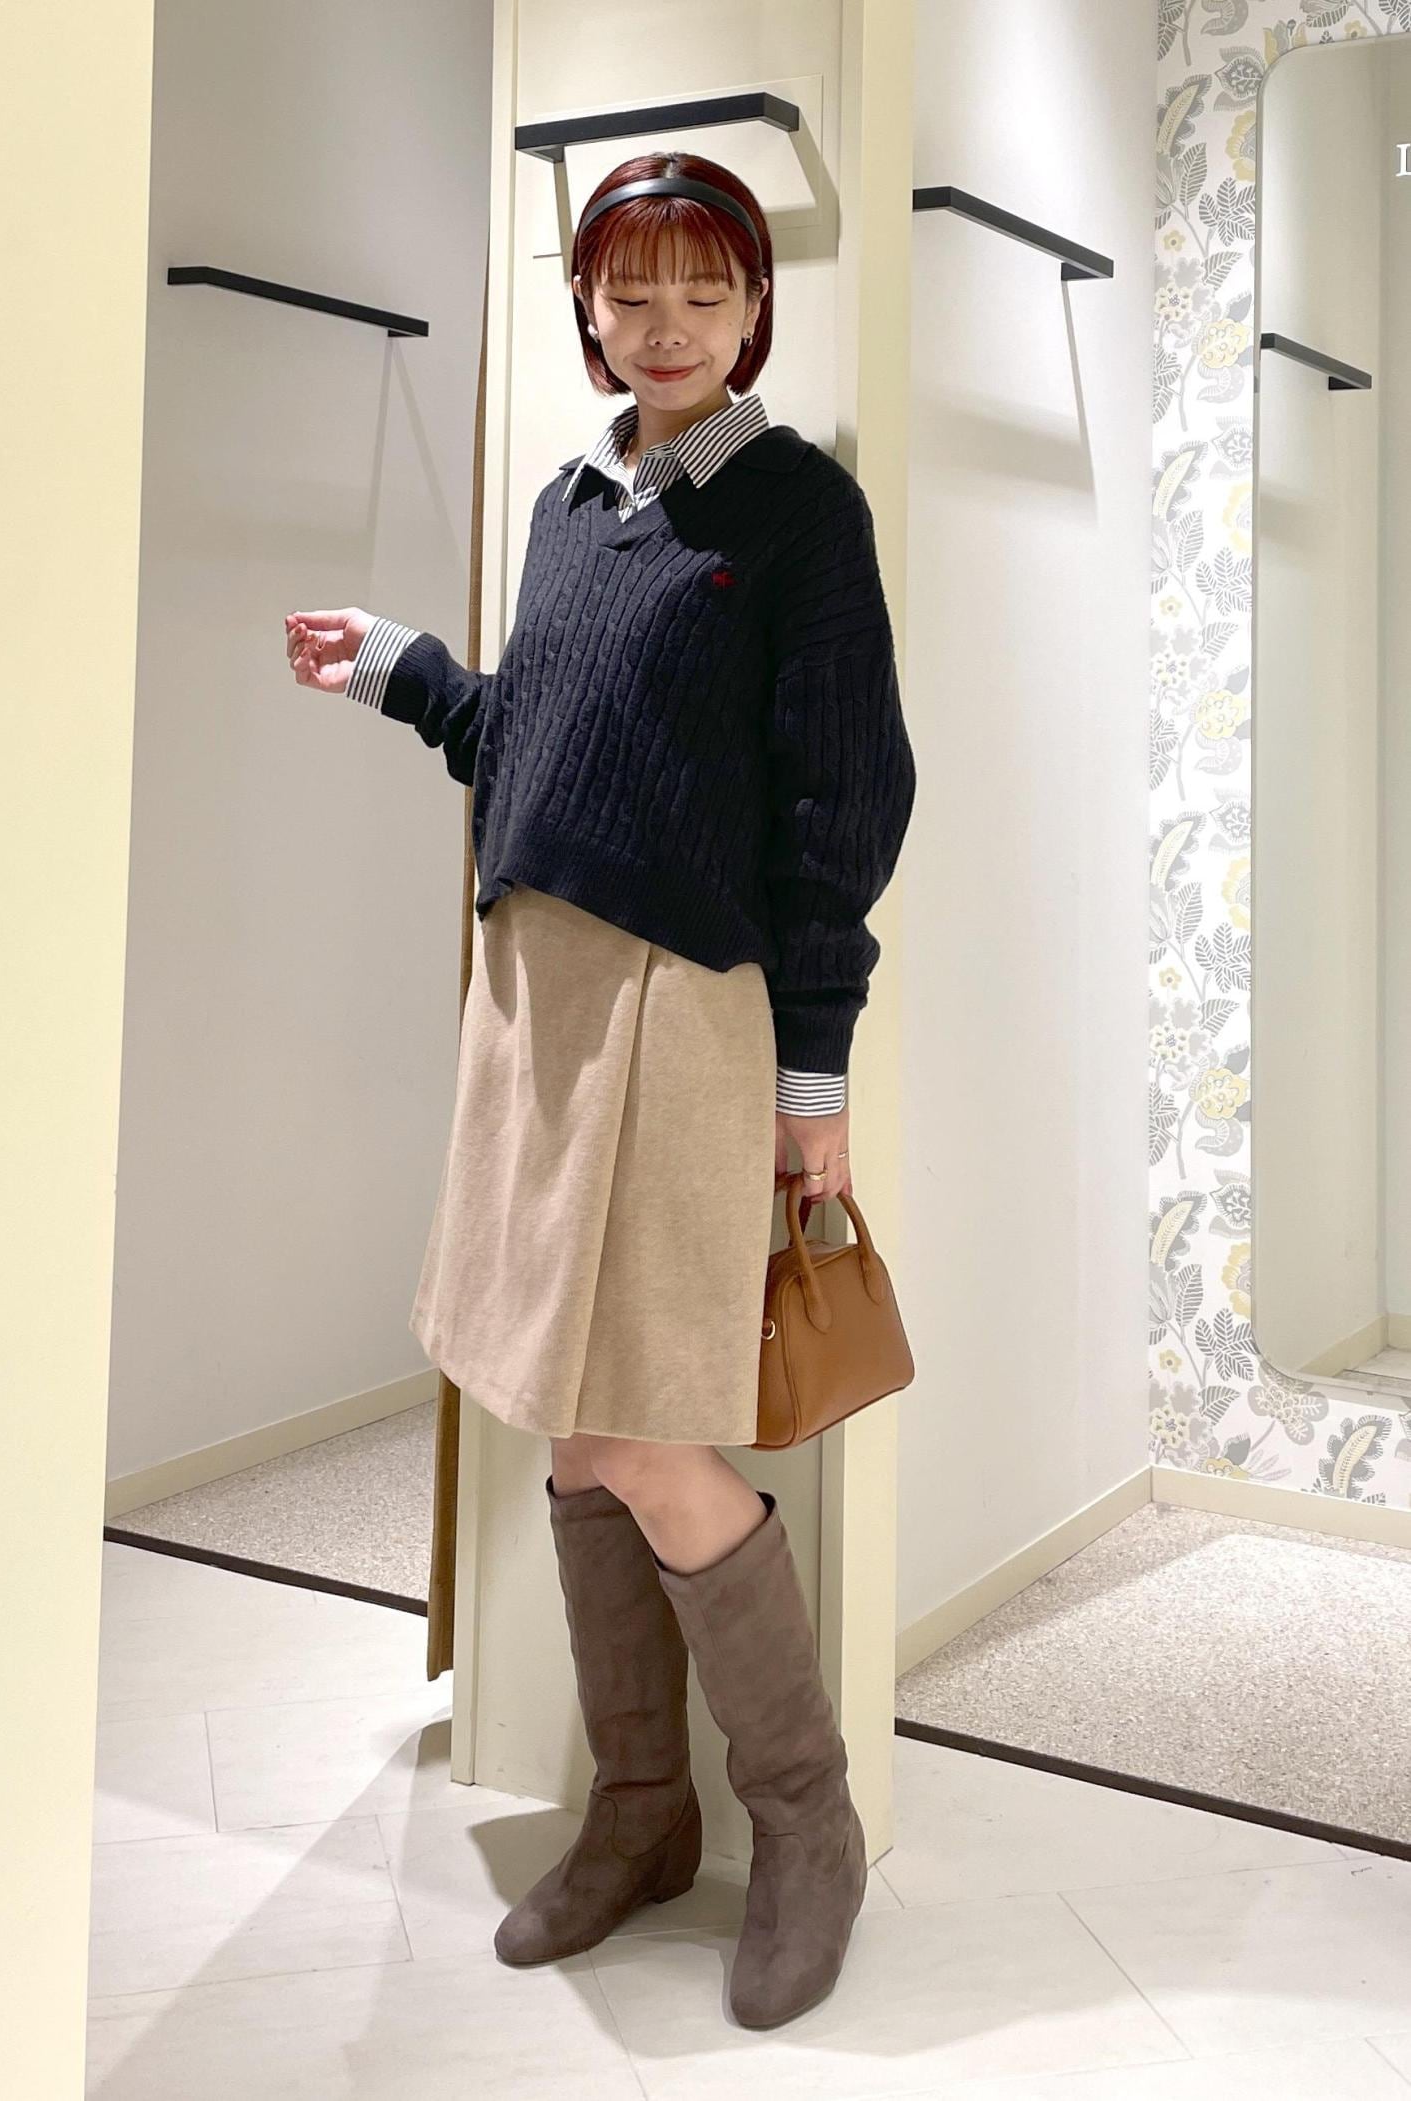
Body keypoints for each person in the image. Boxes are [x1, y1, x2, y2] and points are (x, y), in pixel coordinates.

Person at [283, 148, 915, 2030]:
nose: (666, 324)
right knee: (566, 1429)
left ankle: (805, 1824)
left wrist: (817, 1070)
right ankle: (640, 1810)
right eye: (630, 292)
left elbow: (844, 804)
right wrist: (407, 672)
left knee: (644, 1432)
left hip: (684, 1010)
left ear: (756, 307)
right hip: (532, 1002)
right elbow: (538, 741)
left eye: (704, 290)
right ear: (586, 308)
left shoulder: (797, 511)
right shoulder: (572, 505)